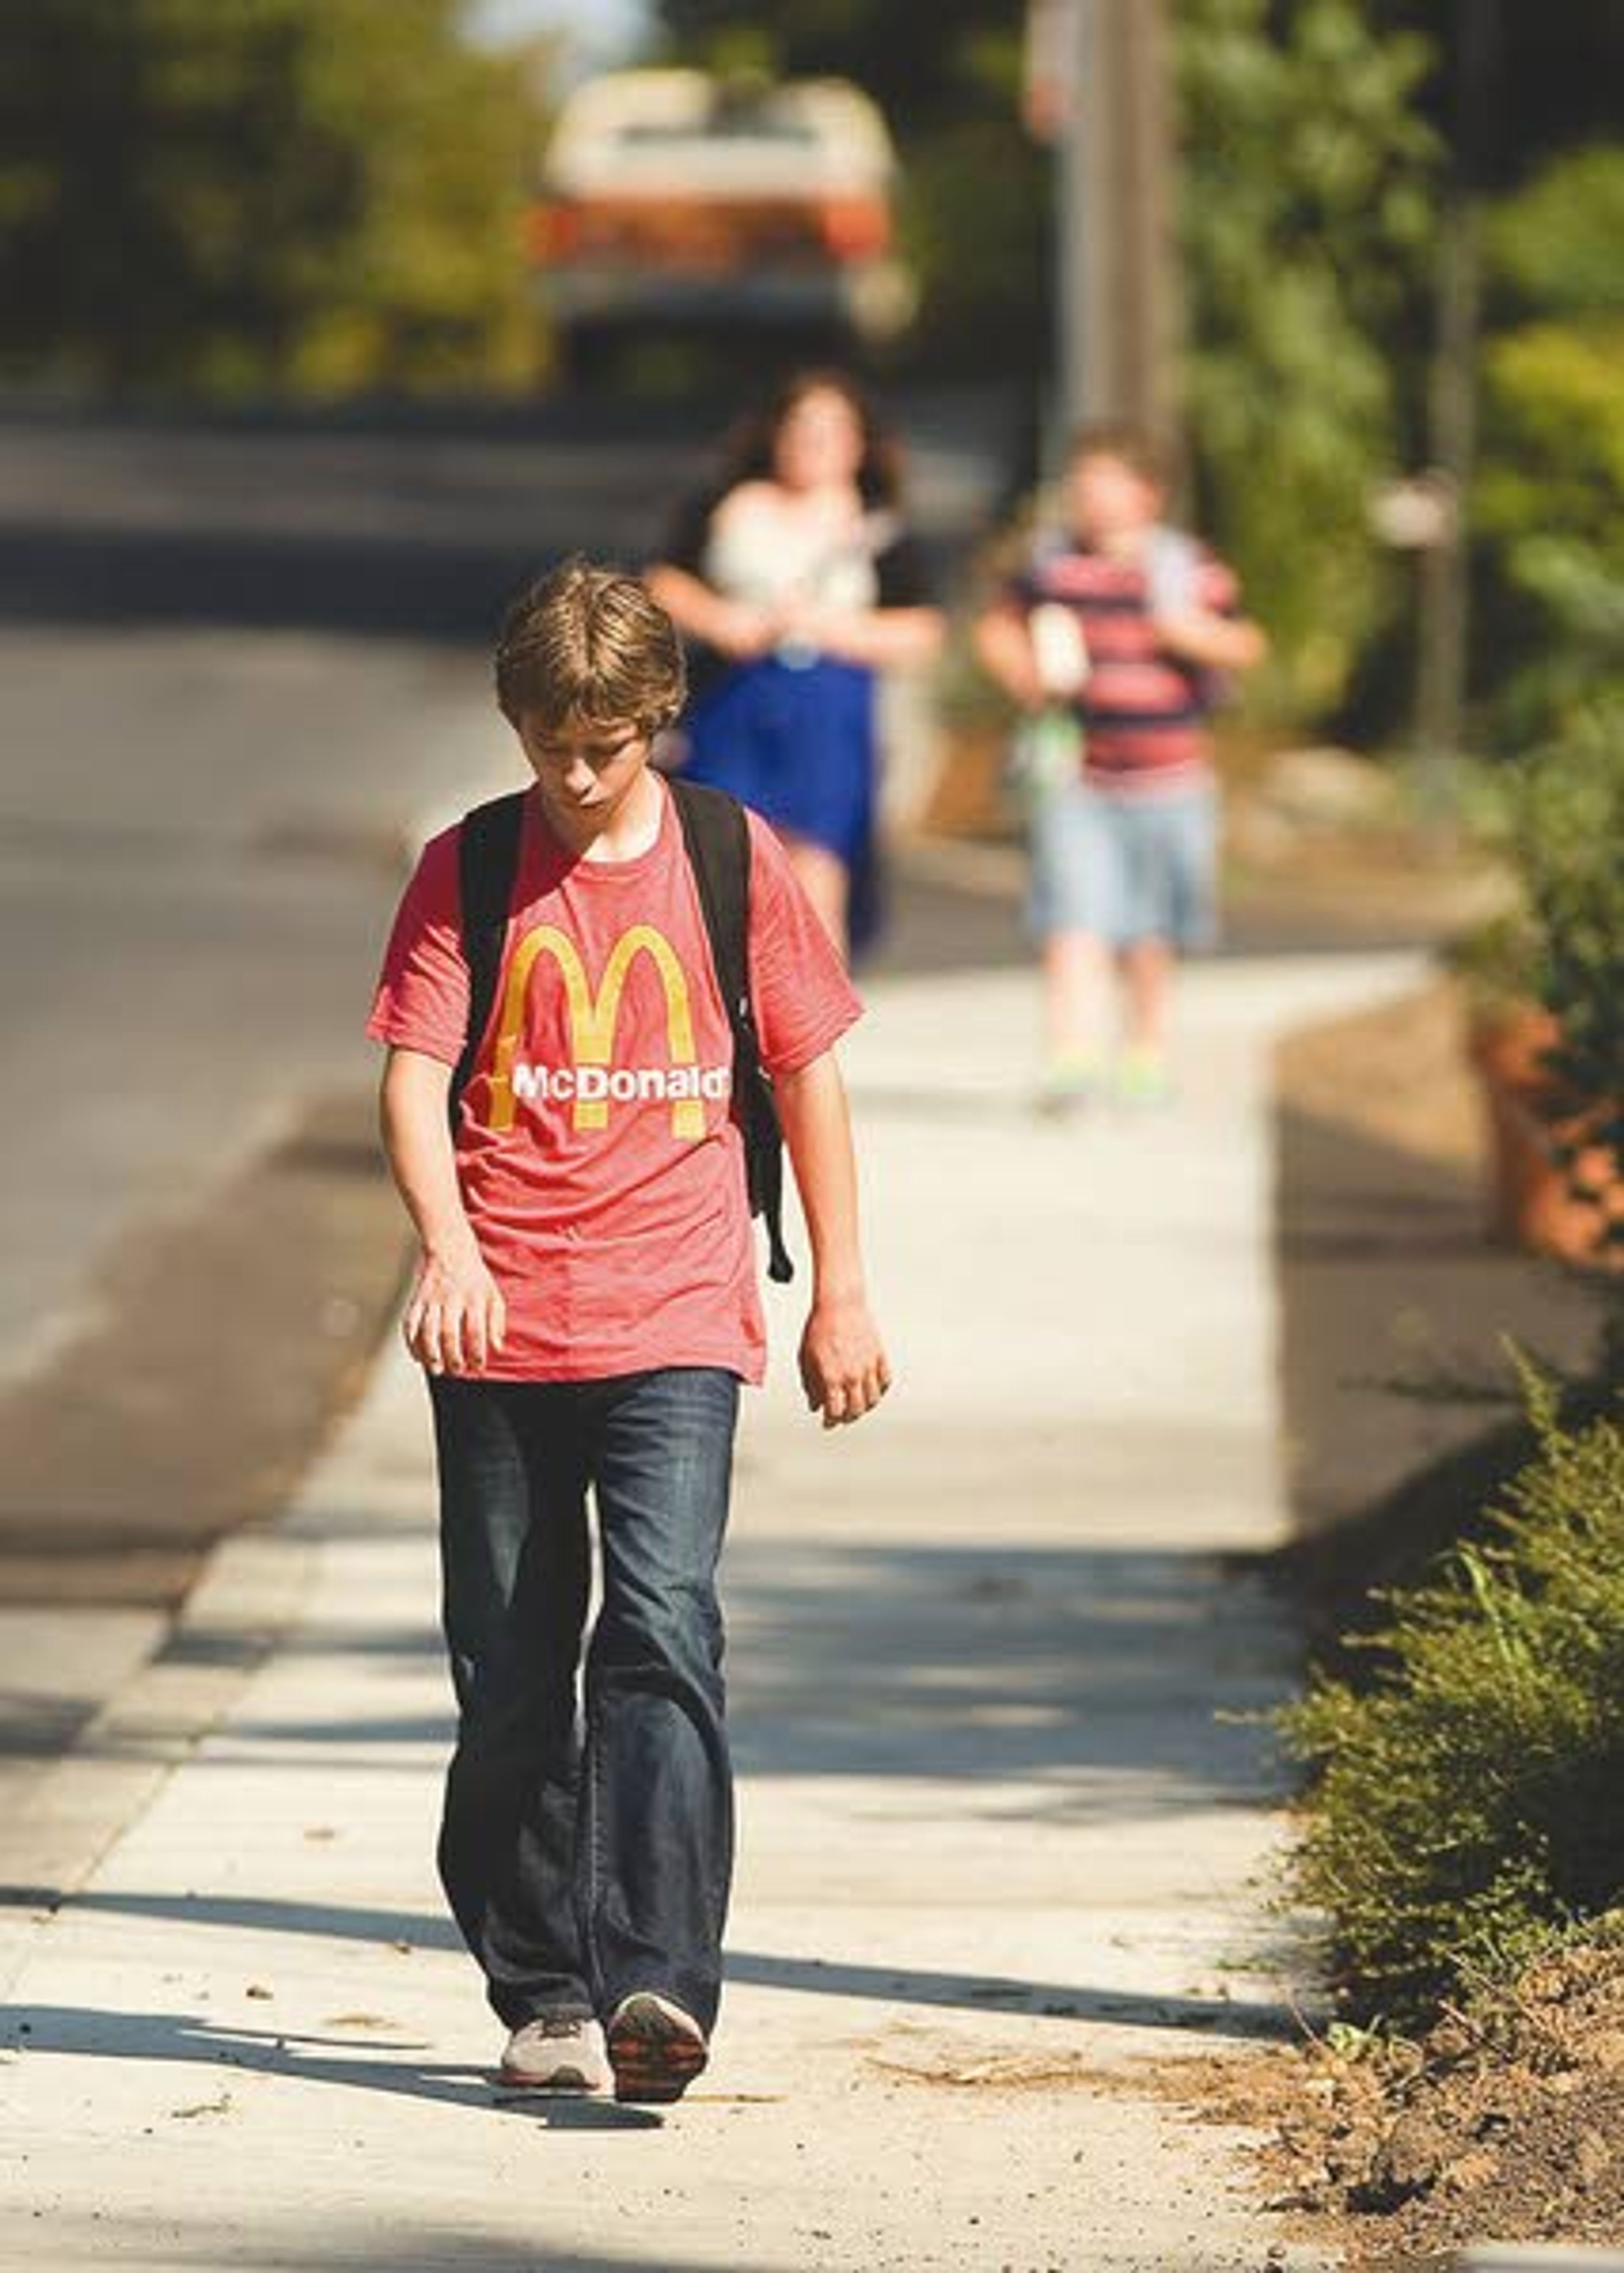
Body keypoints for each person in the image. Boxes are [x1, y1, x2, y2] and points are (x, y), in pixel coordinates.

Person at [366, 558, 889, 2106]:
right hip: (505, 1322)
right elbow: (412, 1073)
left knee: (663, 1629)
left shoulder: (734, 856)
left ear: (658, 714)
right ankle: (542, 1987)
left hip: (678, 1312)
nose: (580, 776)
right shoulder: (467, 869)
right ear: (517, 725)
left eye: (606, 743)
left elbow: (807, 1075)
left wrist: (842, 1289)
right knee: (515, 1669)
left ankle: (657, 1975)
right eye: (550, 747)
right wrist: (446, 1249)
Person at [974, 423, 1267, 1110]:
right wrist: (1027, 675)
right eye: (1082, 481)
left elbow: (1247, 644)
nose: (1088, 495)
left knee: (1150, 928)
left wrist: (1191, 633)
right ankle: (1071, 1056)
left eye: (1105, 480)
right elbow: (996, 627)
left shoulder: (1189, 569)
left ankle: (1144, 1051)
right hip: (1080, 774)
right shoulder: (1052, 566)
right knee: (1073, 917)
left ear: (1147, 493)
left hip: (1172, 778)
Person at [646, 368, 944, 963]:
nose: (814, 442)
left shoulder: (879, 528)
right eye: (802, 427)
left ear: (861, 443)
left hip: (828, 709)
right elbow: (662, 581)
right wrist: (722, 620)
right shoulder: (726, 506)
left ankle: (812, 1029)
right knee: (724, 857)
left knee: (818, 862)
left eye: (832, 429)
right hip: (734, 699)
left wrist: (838, 629)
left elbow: (922, 628)